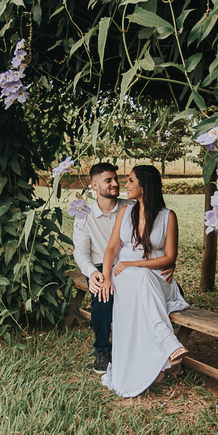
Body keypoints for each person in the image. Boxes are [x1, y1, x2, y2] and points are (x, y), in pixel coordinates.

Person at [98, 164, 189, 398]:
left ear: (144, 186)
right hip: (124, 277)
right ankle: (167, 344)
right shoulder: (124, 213)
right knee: (136, 278)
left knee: (141, 276)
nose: (125, 185)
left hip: (159, 279)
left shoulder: (168, 216)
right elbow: (111, 248)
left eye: (130, 180)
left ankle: (163, 349)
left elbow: (169, 257)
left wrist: (134, 264)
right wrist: (107, 276)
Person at [72, 163, 132, 374]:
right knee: (102, 293)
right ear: (94, 186)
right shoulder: (83, 214)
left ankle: (137, 345)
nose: (116, 184)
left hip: (129, 265)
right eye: (109, 180)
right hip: (98, 265)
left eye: (116, 179)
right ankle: (102, 349)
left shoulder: (130, 206)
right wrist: (93, 273)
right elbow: (80, 251)